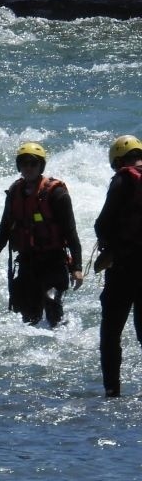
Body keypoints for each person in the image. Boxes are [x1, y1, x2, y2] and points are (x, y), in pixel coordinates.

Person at [0, 141, 83, 326]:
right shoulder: (14, 192)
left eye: (33, 163)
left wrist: (77, 268)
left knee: (52, 312)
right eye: (24, 163)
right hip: (28, 261)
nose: (28, 168)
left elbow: (70, 232)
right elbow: (4, 229)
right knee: (29, 317)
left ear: (41, 166)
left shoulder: (56, 194)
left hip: (53, 261)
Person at [94, 135, 142, 397]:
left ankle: (112, 390)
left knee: (111, 332)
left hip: (124, 267)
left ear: (118, 160)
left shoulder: (123, 179)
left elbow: (103, 223)